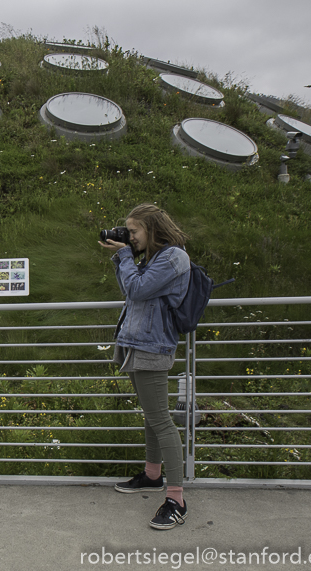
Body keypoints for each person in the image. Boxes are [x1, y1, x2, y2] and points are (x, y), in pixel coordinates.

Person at [99, 203, 191, 530]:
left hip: (153, 346)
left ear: (152, 228)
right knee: (152, 418)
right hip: (136, 344)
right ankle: (153, 476)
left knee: (162, 422)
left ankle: (177, 499)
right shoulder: (152, 257)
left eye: (134, 231)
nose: (131, 236)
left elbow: (138, 289)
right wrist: (122, 255)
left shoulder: (173, 257)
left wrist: (125, 255)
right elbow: (130, 290)